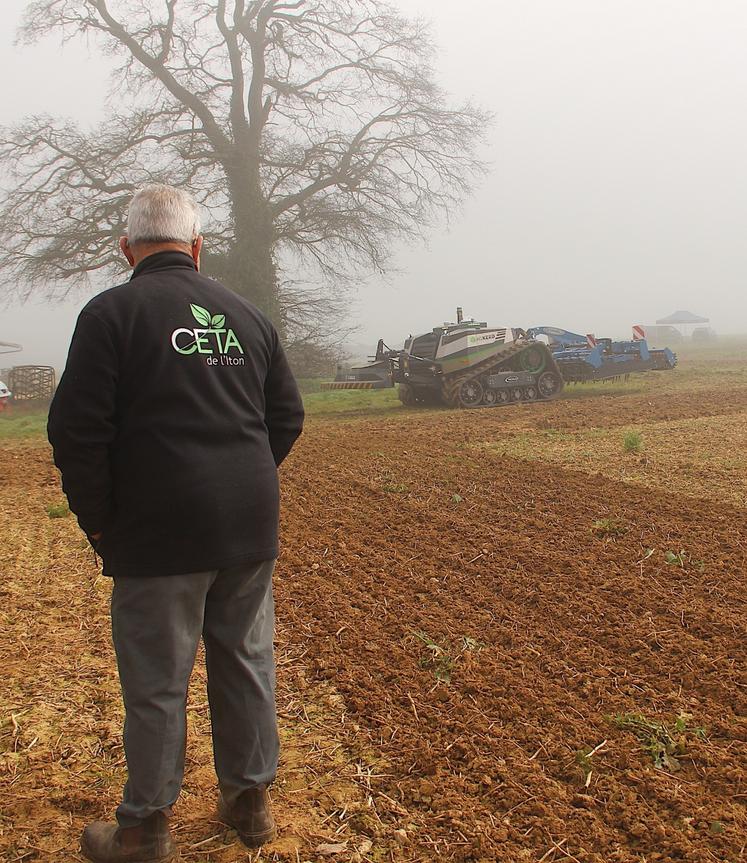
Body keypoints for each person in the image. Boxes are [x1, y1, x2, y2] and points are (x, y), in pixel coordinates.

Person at [47, 184, 304, 863]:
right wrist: (240, 480)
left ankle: (144, 829)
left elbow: (76, 432)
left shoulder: (111, 314)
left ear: (127, 248)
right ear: (195, 247)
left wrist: (101, 522)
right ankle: (249, 805)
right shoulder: (247, 315)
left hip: (156, 531)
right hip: (247, 525)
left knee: (158, 679)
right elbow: (286, 417)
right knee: (247, 660)